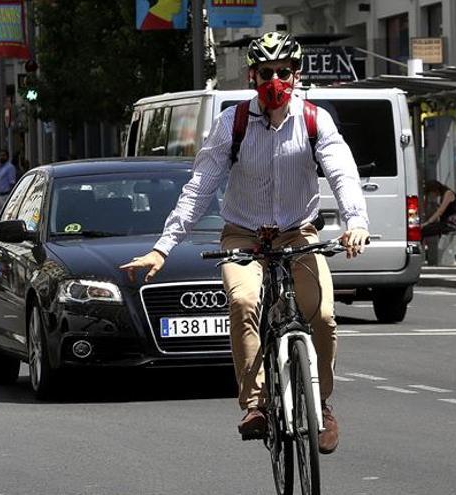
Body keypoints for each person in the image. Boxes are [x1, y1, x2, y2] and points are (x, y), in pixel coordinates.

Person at [119, 31, 369, 455]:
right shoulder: (230, 123)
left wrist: (356, 221)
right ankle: (255, 405)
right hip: (243, 234)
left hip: (298, 232)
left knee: (323, 314)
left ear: (297, 74)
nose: (276, 81)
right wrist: (163, 247)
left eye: (283, 72)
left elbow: (342, 173)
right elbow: (199, 188)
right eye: (267, 73)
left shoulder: (314, 120)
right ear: (253, 76)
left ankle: (321, 404)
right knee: (243, 301)